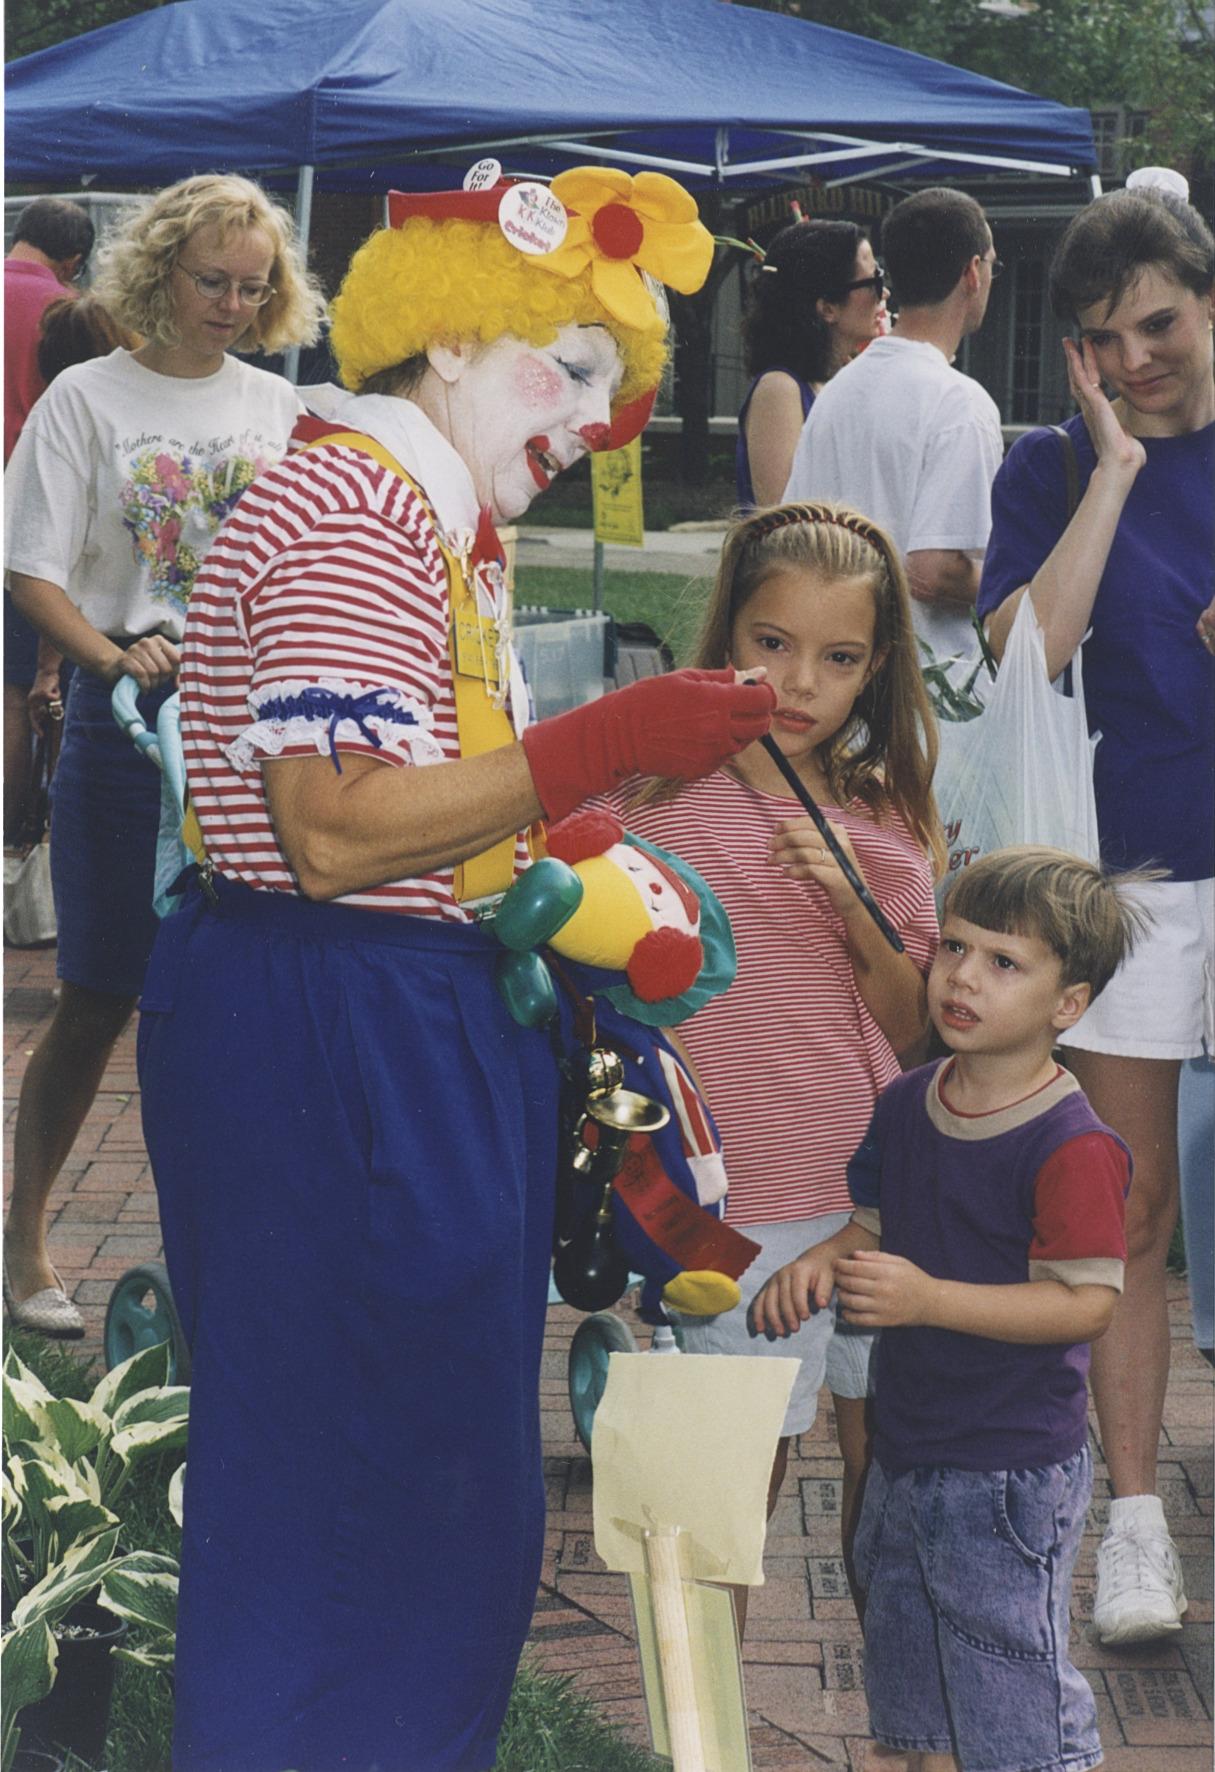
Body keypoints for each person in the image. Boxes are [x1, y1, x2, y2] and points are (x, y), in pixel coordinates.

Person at [135, 167, 776, 1771]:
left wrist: (588, 881)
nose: (586, 420)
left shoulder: (424, 511)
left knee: (419, 1475)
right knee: (371, 1482)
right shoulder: (357, 508)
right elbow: (338, 830)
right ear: (444, 339)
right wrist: (611, 740)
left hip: (373, 1014)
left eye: (610, 385)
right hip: (337, 1022)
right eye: (556, 367)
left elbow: (431, 804)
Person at [3, 174, 323, 1338]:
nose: (231, 305)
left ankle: (234, 1250)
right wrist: (109, 653)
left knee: (239, 999)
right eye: (211, 281)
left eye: (253, 285)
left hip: (247, 735)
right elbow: (28, 564)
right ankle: (25, 1232)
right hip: (123, 726)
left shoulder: (280, 407)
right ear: (160, 270)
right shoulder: (87, 399)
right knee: (95, 994)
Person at [754, 846, 1146, 1772]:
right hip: (907, 1447)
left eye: (1003, 962)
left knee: (1008, 1686)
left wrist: (926, 1298)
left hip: (1009, 1470)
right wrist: (821, 1261)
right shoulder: (903, 1104)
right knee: (912, 1668)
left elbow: (1084, 1305)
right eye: (953, 948)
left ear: (1067, 1006)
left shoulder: (1072, 1145)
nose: (962, 976)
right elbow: (872, 1223)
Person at [620, 499, 942, 1627]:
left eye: (838, 656)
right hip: (726, 1212)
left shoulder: (889, 827)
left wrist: (854, 896)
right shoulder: (649, 805)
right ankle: (703, 1744)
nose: (801, 680)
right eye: (774, 643)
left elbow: (917, 1035)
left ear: (876, 667)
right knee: (722, 1503)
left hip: (871, 1206)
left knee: (888, 1495)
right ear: (727, 637)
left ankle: (904, 1725)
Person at [977, 175, 1213, 1646]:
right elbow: (1017, 652)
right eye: (1099, 338)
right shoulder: (1050, 467)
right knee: (1121, 1208)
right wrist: (1113, 472)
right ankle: (1132, 1523)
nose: (1134, 357)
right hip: (1124, 885)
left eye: (1159, 324)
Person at [784, 187, 1004, 670]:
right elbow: (934, 572)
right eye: (991, 264)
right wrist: (1021, 580)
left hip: (840, 672)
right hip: (928, 692)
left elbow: (792, 536)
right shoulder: (960, 403)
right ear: (972, 273)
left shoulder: (838, 391)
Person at [4, 197, 94, 843]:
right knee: (18, 692)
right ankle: (12, 843)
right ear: (74, 260)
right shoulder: (62, 309)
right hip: (28, 510)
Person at [735, 219, 887, 509]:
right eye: (873, 283)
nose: (884, 294)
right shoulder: (780, 389)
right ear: (828, 308)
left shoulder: (833, 381)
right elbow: (784, 517)